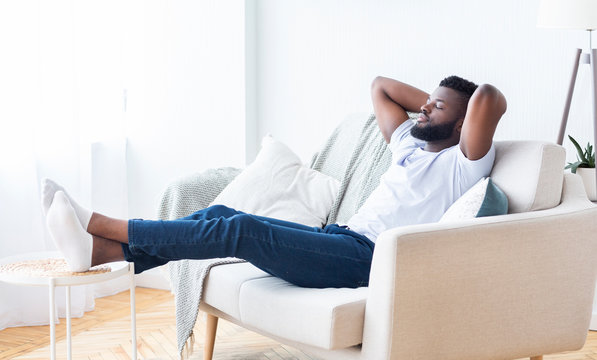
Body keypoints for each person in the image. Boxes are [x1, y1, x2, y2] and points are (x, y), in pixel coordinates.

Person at [41, 75, 506, 289]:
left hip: (369, 262)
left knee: (239, 231)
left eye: (436, 108)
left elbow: (488, 97)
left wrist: (457, 110)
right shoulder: (407, 145)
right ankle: (101, 252)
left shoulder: (464, 164)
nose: (422, 109)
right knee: (222, 215)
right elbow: (380, 86)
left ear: (465, 125)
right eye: (426, 103)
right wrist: (436, 103)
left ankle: (99, 223)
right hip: (339, 239)